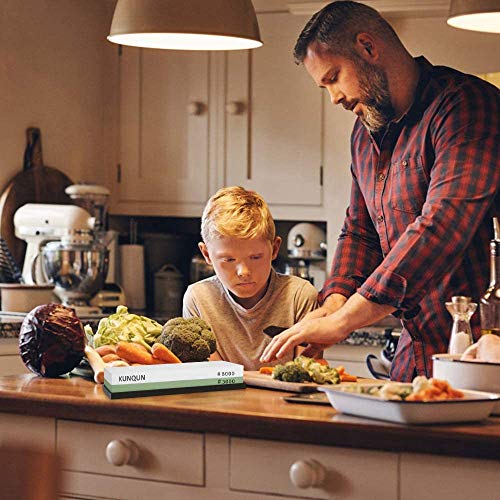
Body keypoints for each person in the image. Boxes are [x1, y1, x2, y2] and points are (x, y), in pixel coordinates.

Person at [261, 1, 499, 381]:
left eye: (334, 77)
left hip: (480, 350)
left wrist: (346, 321)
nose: (335, 97)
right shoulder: (365, 131)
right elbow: (360, 230)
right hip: (416, 348)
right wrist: (335, 302)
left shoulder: (465, 106)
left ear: (368, 47)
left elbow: (441, 226)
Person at [183, 186, 318, 370]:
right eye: (229, 259)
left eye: (255, 257)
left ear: (275, 249)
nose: (243, 271)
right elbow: (213, 376)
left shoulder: (299, 296)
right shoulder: (198, 298)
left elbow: (308, 373)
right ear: (206, 254)